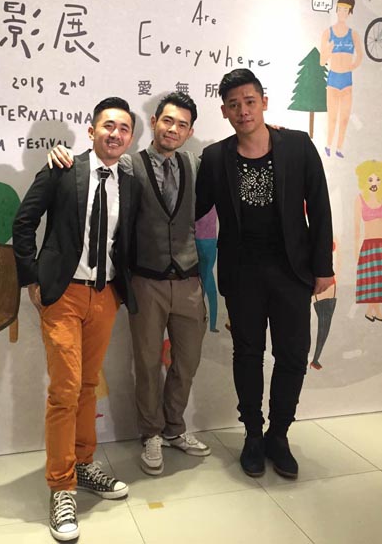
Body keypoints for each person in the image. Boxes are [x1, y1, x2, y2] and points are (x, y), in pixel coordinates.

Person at [49, 92, 210, 477]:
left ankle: (175, 427)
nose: (173, 130)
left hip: (188, 280)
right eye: (167, 121)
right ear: (154, 122)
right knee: (148, 362)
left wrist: (272, 133)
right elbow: (91, 166)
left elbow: (235, 158)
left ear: (190, 132)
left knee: (187, 361)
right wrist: (59, 154)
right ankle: (151, 433)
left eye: (182, 125)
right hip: (145, 281)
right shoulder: (127, 165)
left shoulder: (195, 165)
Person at [12, 97, 141, 542]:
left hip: (104, 296)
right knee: (65, 391)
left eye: (123, 129)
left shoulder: (129, 181)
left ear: (130, 137)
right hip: (63, 294)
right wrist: (32, 279)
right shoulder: (63, 168)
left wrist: (119, 292)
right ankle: (61, 485)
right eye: (108, 125)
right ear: (91, 131)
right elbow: (23, 223)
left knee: (87, 386)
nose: (115, 134)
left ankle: (84, 464)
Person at [196, 68, 334, 480]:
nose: (243, 110)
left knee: (292, 355)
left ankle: (279, 435)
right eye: (234, 105)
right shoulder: (215, 158)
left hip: (292, 271)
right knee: (248, 355)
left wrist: (323, 268)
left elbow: (320, 207)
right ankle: (253, 436)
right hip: (243, 274)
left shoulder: (298, 146)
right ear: (224, 111)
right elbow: (193, 208)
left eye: (249, 101)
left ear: (264, 102)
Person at [319, 0, 362, 159]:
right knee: (332, 117)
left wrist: (353, 65)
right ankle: (328, 145)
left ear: (350, 13)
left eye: (346, 10)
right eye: (340, 9)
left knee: (344, 118)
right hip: (333, 80)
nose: (342, 12)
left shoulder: (353, 34)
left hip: (347, 81)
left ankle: (339, 148)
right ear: (336, 11)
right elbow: (322, 61)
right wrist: (329, 49)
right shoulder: (327, 33)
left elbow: (360, 55)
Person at [354, 160, 382, 322]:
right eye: (370, 179)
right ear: (364, 181)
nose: (374, 183)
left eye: (378, 179)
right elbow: (356, 228)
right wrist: (356, 250)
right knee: (372, 280)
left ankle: (371, 311)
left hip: (381, 244)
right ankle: (375, 311)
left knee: (379, 280)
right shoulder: (360, 200)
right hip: (369, 246)